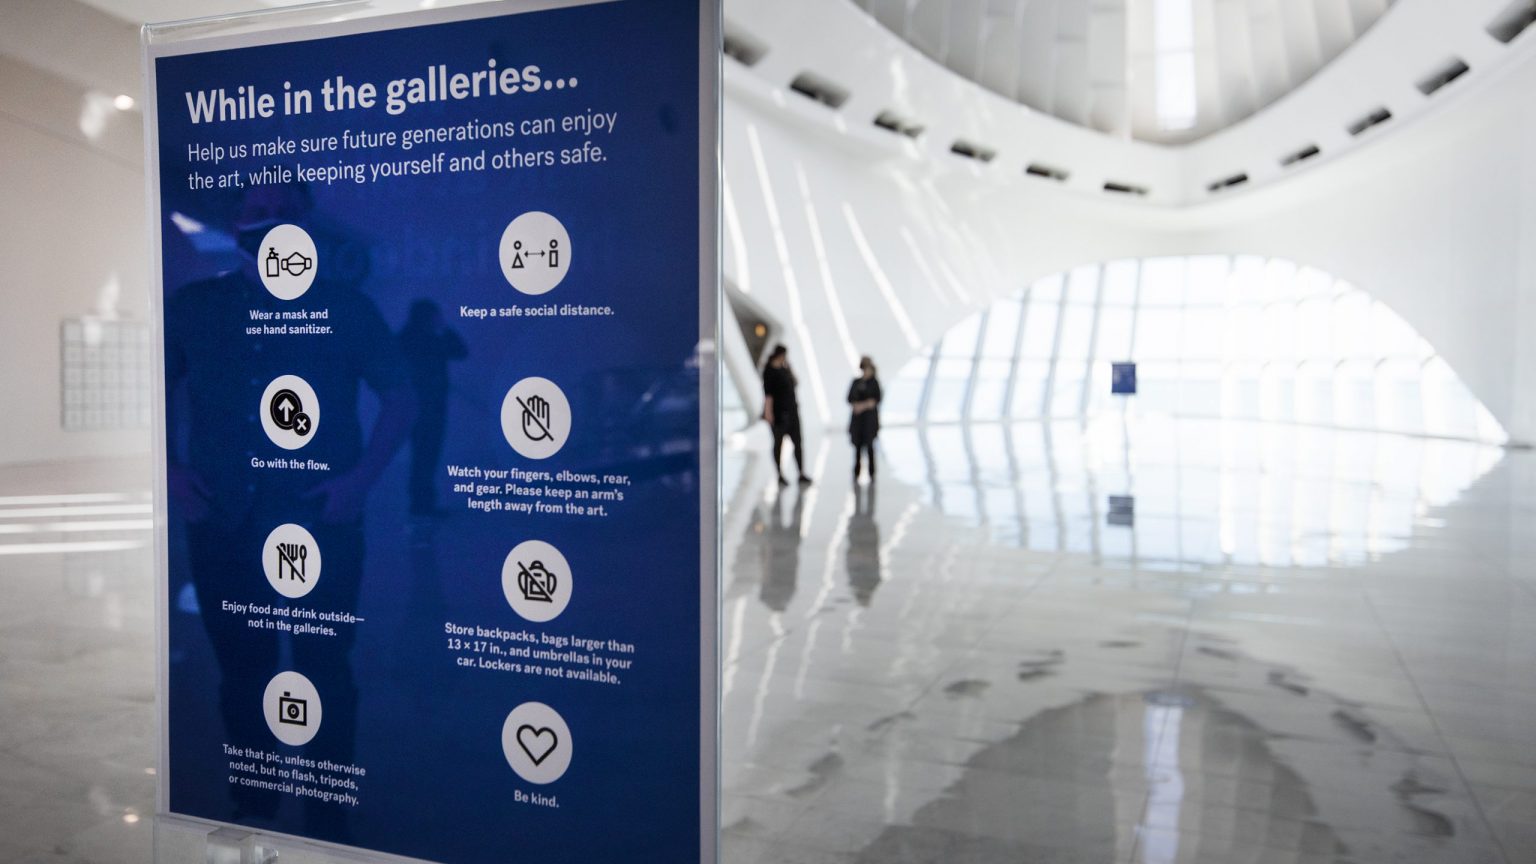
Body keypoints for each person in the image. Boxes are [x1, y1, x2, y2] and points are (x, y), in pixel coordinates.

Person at [398, 299, 468, 515]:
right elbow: (460, 351)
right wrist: (445, 329)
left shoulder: (404, 338)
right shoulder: (426, 339)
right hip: (428, 407)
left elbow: (460, 352)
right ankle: (422, 505)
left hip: (419, 406)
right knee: (426, 454)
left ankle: (421, 503)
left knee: (424, 455)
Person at [762, 345, 812, 486]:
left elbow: (796, 382)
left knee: (798, 442)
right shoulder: (769, 371)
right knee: (778, 444)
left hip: (792, 411)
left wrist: (789, 368)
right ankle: (779, 474)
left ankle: (801, 472)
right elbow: (768, 395)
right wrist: (768, 413)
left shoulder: (785, 369)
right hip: (778, 413)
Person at [847, 356, 882, 482]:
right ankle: (857, 472)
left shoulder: (874, 383)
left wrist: (862, 405)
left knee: (870, 446)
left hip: (869, 421)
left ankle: (871, 473)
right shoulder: (856, 382)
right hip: (858, 422)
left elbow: (876, 400)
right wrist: (861, 405)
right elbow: (849, 398)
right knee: (857, 447)